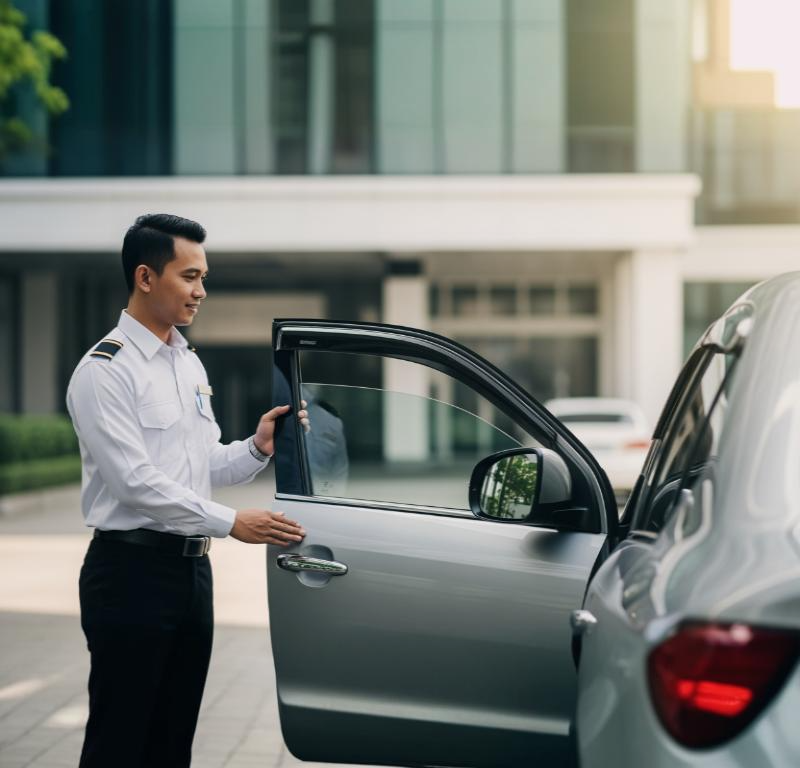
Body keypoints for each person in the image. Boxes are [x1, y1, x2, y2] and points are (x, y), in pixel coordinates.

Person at [66, 213, 307, 768]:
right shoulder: (105, 371)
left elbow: (200, 465)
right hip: (129, 575)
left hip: (191, 575)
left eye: (204, 277)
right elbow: (134, 483)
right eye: (189, 276)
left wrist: (257, 447)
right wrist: (230, 523)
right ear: (146, 277)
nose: (201, 291)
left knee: (173, 741)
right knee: (120, 740)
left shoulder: (188, 361)